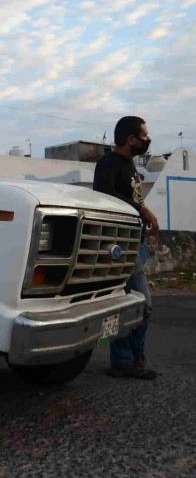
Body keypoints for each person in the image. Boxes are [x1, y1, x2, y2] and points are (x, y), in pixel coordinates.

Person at [93, 116, 158, 380]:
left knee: (126, 304)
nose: (147, 140)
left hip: (135, 244)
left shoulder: (129, 164)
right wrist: (142, 210)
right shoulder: (108, 163)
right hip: (119, 247)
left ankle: (126, 360)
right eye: (144, 135)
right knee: (141, 304)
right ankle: (125, 360)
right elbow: (103, 197)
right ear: (131, 139)